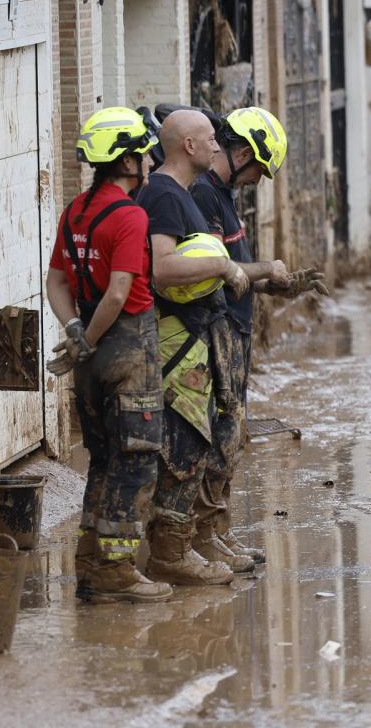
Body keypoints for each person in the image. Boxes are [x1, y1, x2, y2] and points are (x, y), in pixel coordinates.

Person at [191, 106, 324, 574]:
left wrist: (281, 283)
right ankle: (202, 537)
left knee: (231, 437)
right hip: (217, 330)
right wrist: (267, 269)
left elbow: (236, 272)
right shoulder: (203, 195)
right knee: (219, 436)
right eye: (260, 170)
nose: (260, 180)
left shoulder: (222, 195)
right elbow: (215, 274)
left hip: (237, 330)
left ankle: (216, 532)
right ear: (243, 151)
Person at [45, 107, 169, 603]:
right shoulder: (131, 216)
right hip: (126, 349)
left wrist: (76, 332)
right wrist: (93, 336)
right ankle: (117, 568)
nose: (146, 162)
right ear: (128, 161)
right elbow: (120, 292)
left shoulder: (75, 210)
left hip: (90, 358)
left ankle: (90, 563)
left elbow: (56, 281)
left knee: (101, 458)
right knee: (136, 460)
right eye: (142, 154)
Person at [137, 109, 250, 588]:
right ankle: (170, 554)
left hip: (191, 336)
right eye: (209, 140)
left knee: (197, 441)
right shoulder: (164, 195)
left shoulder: (176, 194)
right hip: (175, 341)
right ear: (187, 146)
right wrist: (222, 268)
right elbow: (162, 269)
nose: (216, 147)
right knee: (183, 446)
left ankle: (181, 546)